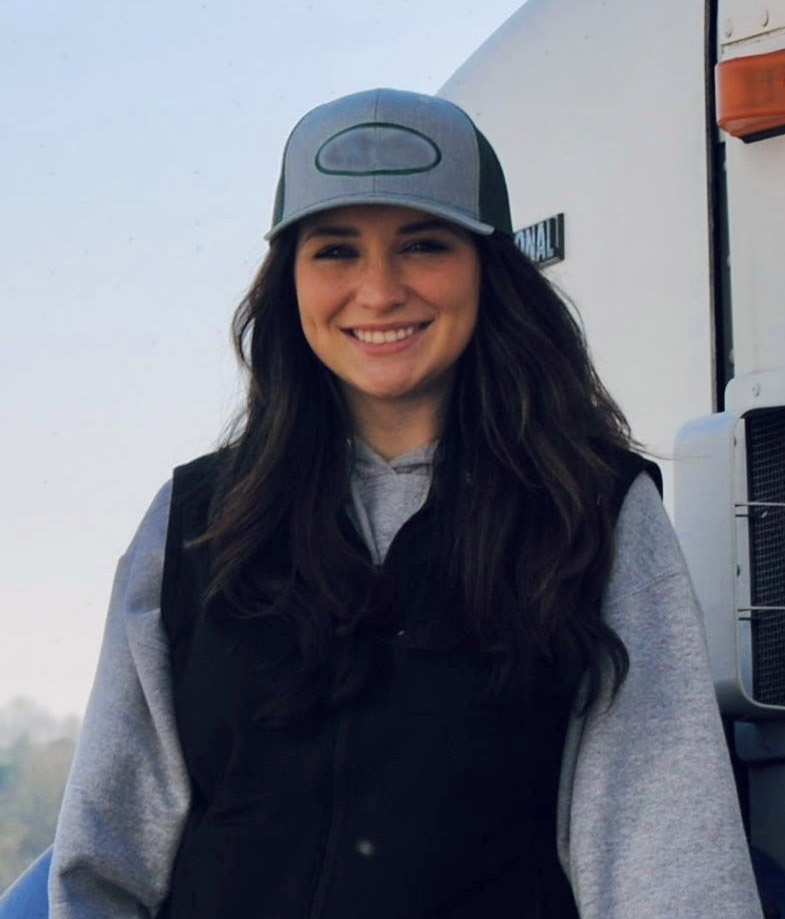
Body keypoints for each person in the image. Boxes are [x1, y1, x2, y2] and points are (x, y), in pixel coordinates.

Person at [47, 88, 764, 918]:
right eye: (335, 250)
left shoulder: (590, 514)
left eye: (422, 244)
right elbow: (105, 856)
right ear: (290, 280)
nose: (378, 291)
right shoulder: (198, 519)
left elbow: (665, 857)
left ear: (485, 268)